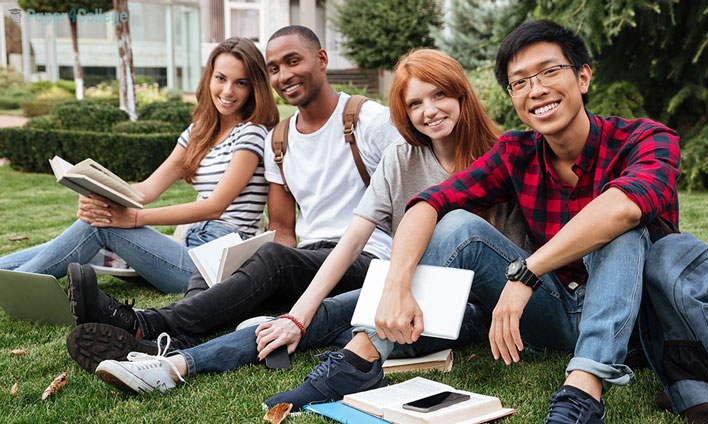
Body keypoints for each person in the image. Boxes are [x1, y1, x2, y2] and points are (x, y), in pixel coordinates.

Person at [83, 49, 526, 398]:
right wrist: (297, 315)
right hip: (402, 290)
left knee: (342, 316)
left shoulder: (501, 155)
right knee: (310, 319)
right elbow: (353, 238)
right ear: (404, 112)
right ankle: (171, 366)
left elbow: (514, 256)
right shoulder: (401, 159)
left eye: (439, 95)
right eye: (415, 103)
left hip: (473, 306)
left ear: (462, 95)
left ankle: (193, 341)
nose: (429, 110)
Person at [363, 20, 680, 424]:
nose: (537, 89)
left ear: (583, 77)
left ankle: (583, 390)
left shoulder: (647, 138)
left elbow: (625, 208)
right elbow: (429, 202)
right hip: (556, 312)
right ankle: (356, 357)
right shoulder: (516, 150)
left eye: (549, 72)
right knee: (456, 224)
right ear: (512, 95)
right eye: (521, 82)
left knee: (620, 229)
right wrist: (396, 285)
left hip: (633, 319)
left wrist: (526, 273)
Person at [64, 25, 401, 373]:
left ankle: (142, 323)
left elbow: (414, 201)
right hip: (312, 263)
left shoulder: (369, 119)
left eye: (293, 61)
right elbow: (283, 230)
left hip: (368, 261)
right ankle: (164, 345)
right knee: (227, 267)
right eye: (274, 68)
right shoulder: (280, 140)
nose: (284, 75)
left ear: (321, 59)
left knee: (273, 259)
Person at [0, 37, 278, 294]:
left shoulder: (251, 133)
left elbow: (215, 206)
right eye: (221, 78)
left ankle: (16, 289)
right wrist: (99, 196)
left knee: (104, 225)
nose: (228, 90)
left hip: (214, 264)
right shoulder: (198, 132)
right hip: (189, 248)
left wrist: (135, 218)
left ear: (255, 87)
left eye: (240, 83)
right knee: (97, 221)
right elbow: (146, 189)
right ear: (209, 79)